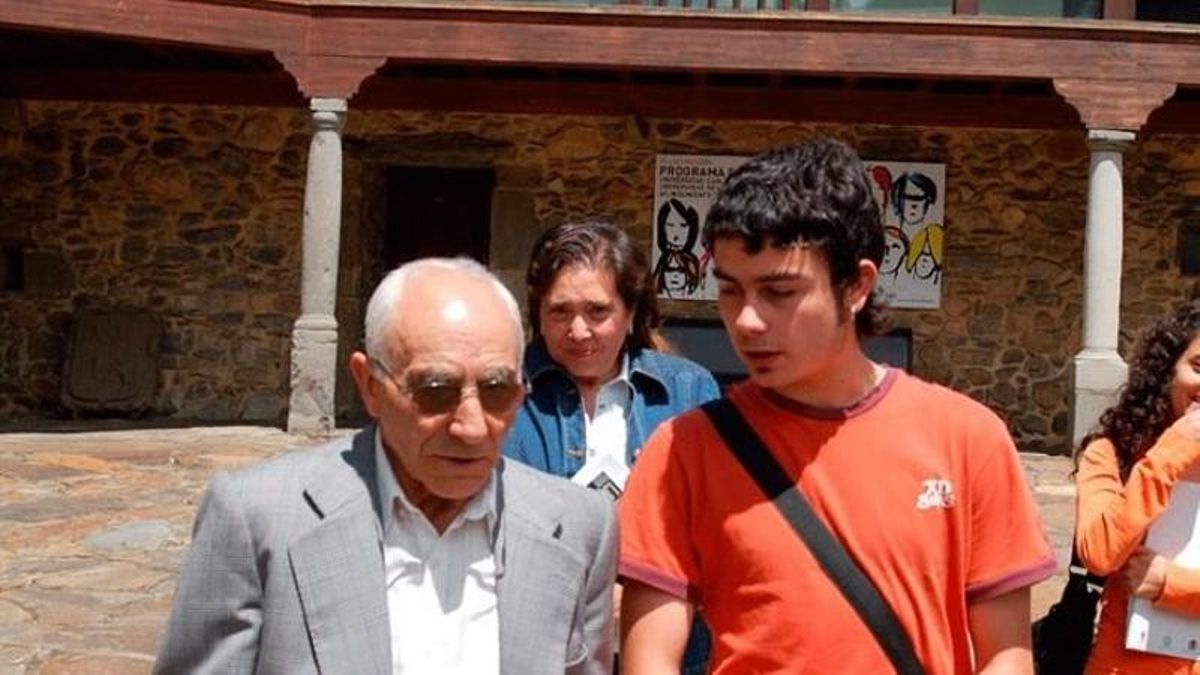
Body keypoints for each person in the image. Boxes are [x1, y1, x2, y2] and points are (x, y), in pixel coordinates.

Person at [618, 139, 1055, 674]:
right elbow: (651, 661)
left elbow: (1007, 656)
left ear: (856, 286)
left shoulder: (967, 439)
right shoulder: (683, 451)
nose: (747, 321)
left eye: (779, 292)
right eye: (731, 290)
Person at [155, 257, 617, 675]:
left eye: (498, 389)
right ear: (370, 385)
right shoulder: (258, 521)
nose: (472, 427)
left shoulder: (578, 529)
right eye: (436, 390)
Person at [502, 221, 720, 673]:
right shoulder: (502, 392)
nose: (578, 331)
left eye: (598, 312)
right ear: (537, 311)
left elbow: (717, 528)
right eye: (559, 312)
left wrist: (643, 596)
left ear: (632, 311)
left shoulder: (688, 392)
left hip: (672, 651)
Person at [1075, 300, 1200, 674]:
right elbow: (1099, 553)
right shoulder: (1110, 454)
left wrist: (1172, 584)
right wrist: (1170, 454)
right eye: (1198, 367)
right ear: (1166, 372)